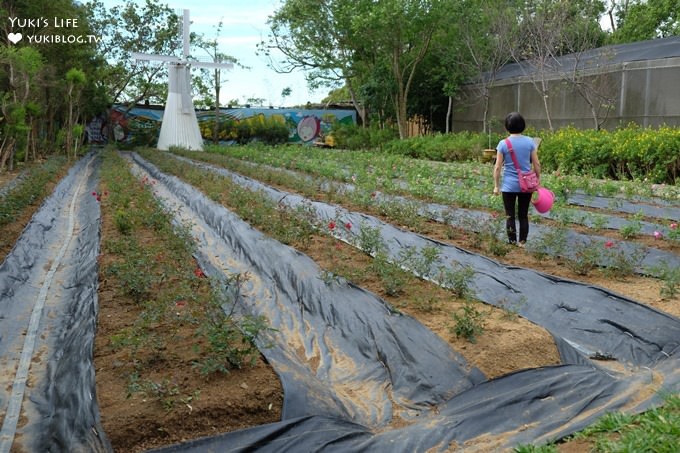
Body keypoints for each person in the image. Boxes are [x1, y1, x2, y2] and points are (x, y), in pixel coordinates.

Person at [493, 112, 541, 246]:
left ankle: (512, 242)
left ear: (507, 127)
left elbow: (497, 167)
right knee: (523, 215)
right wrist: (537, 180)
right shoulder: (530, 142)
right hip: (526, 185)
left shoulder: (503, 144)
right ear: (523, 125)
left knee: (510, 215)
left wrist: (496, 186)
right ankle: (523, 243)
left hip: (509, 186)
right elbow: (536, 164)